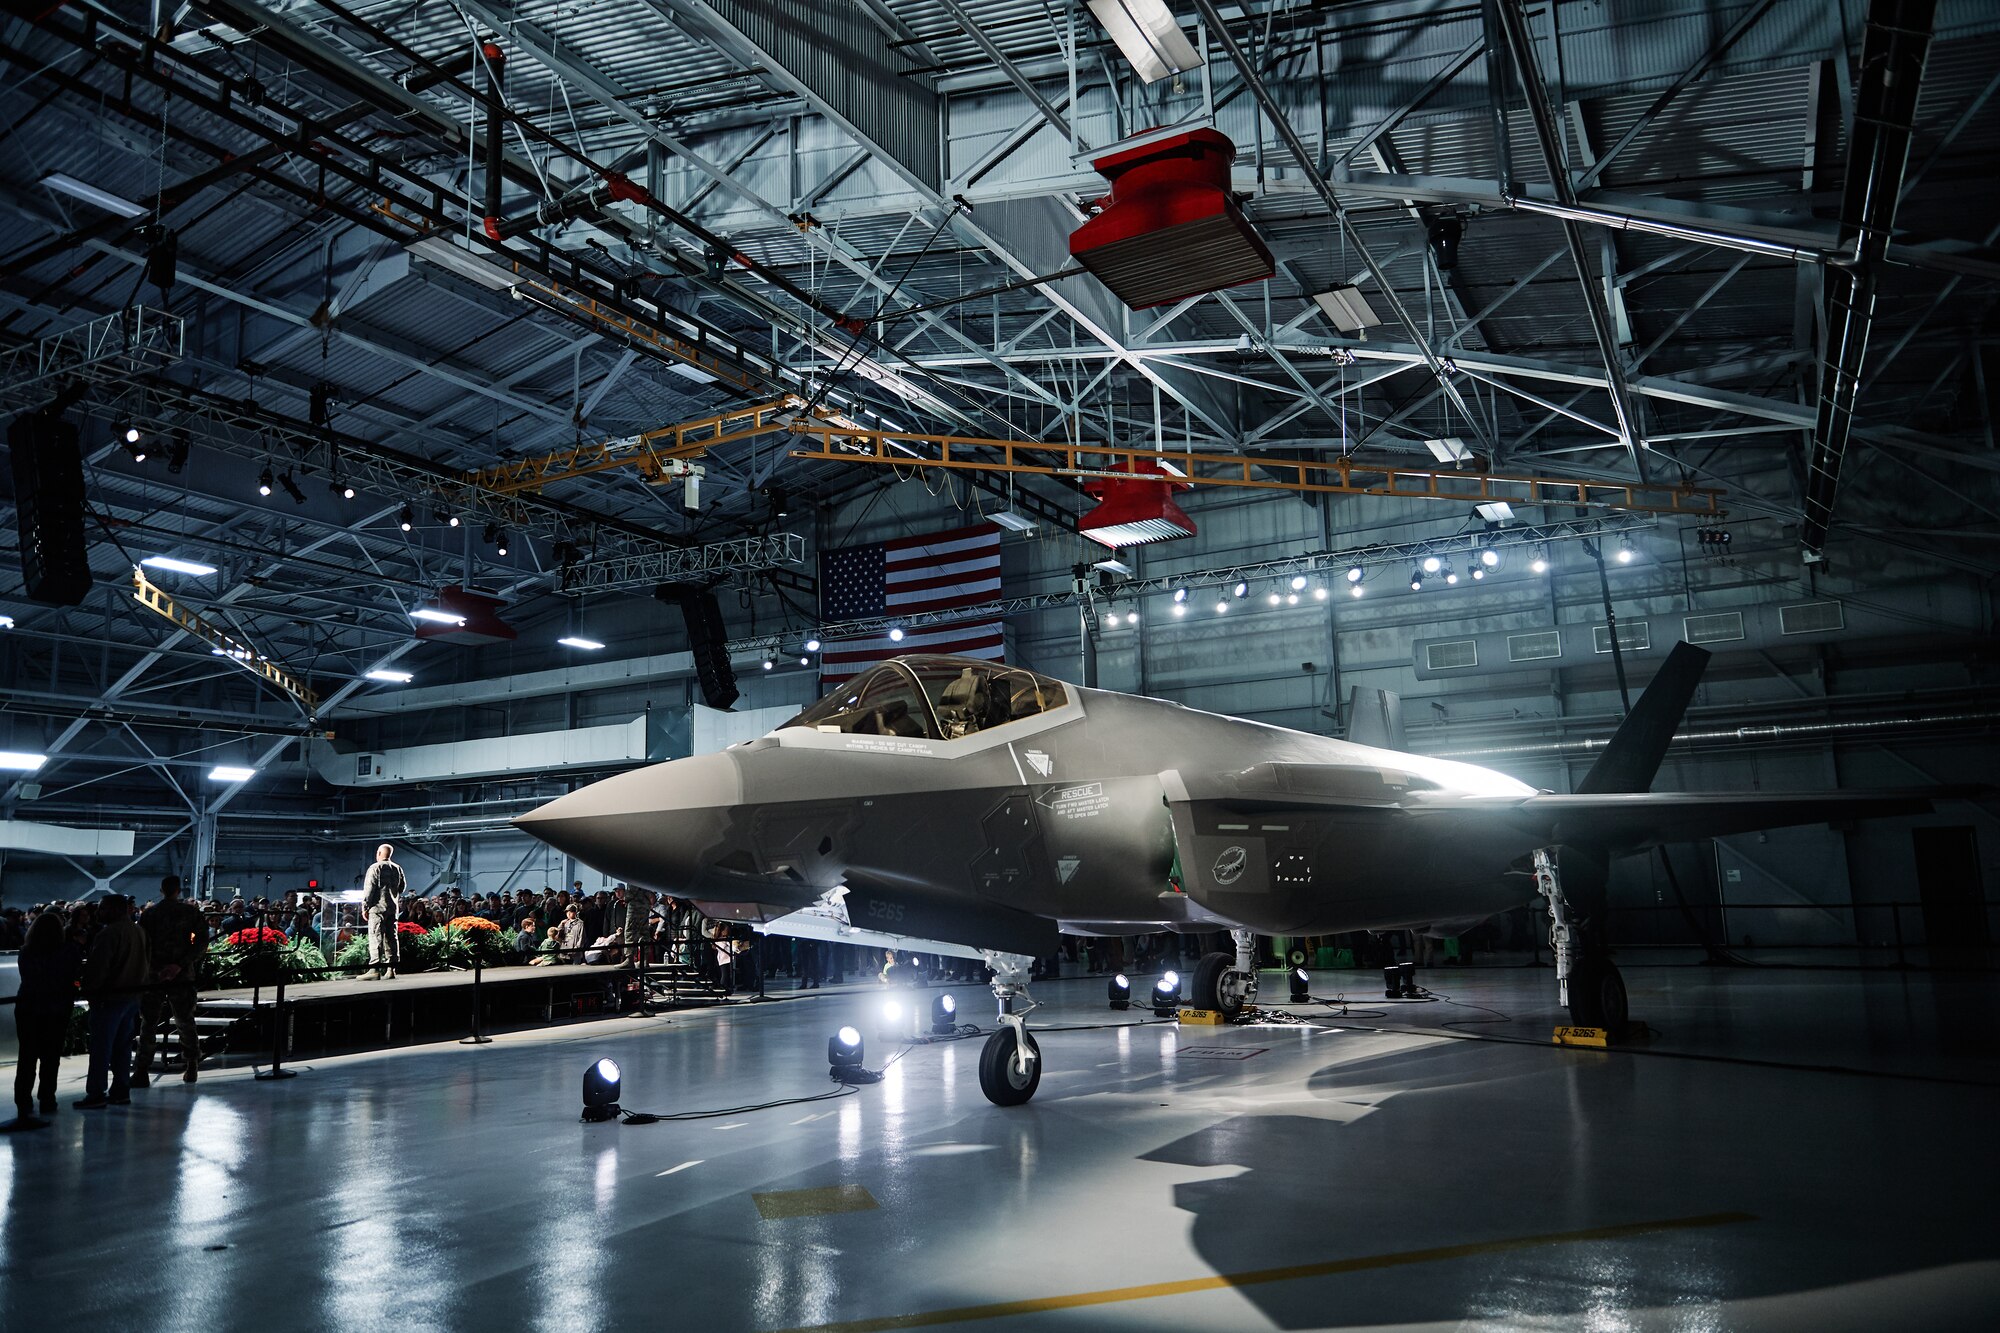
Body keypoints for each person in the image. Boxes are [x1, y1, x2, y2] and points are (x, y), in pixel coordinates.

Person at [133, 875, 208, 1087]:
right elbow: (202, 941)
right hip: (182, 974)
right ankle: (191, 1064)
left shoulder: (150, 914)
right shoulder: (190, 912)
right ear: (178, 890)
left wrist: (153, 967)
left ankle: (142, 1069)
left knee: (148, 1023)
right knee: (185, 1020)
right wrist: (180, 964)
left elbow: (142, 943)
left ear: (161, 889)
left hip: (154, 975)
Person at [76, 895, 149, 1110]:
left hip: (109, 999)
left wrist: (89, 991)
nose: (98, 913)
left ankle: (96, 1093)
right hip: (132, 997)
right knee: (123, 1048)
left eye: (103, 908)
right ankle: (120, 1090)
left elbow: (99, 968)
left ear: (114, 910)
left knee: (101, 1048)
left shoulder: (108, 934)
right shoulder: (138, 931)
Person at [11, 911, 83, 1126]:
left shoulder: (26, 952)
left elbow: (27, 978)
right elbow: (75, 977)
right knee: (51, 1057)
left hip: (28, 1007)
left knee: (27, 1056)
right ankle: (47, 1098)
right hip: (57, 1009)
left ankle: (23, 1100)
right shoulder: (70, 951)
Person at [362, 843, 406, 980]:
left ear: (379, 853)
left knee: (376, 937)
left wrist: (365, 907)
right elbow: (402, 887)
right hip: (392, 909)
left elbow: (369, 889)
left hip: (377, 909)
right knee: (392, 939)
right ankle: (391, 969)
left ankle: (374, 969)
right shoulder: (398, 868)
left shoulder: (375, 868)